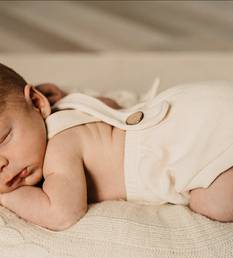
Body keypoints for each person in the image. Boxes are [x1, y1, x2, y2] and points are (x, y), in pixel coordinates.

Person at [0, 63, 233, 231]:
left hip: (180, 145)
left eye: (3, 139)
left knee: (214, 204)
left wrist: (8, 197)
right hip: (186, 106)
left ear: (38, 102)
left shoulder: (60, 149)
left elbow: (62, 213)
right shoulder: (68, 107)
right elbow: (111, 105)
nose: (1, 164)